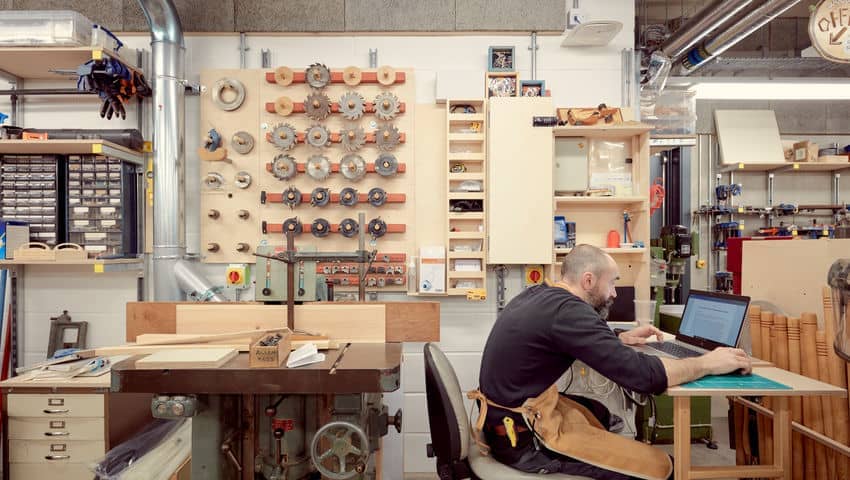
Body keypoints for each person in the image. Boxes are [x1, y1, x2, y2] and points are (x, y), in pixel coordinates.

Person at [471, 244, 752, 480]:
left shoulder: (541, 294)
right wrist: (707, 363)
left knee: (601, 415)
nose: (615, 293)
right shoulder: (569, 312)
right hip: (521, 441)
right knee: (663, 468)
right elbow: (644, 376)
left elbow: (567, 334)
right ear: (588, 281)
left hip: (506, 417)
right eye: (612, 282)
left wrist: (618, 338)